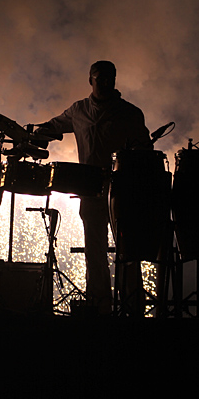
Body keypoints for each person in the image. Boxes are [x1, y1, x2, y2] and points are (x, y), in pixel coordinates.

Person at [35, 60, 153, 315]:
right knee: (94, 251)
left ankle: (132, 305)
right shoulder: (79, 110)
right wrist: (32, 134)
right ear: (91, 80)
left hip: (122, 190)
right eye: (99, 79)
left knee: (127, 250)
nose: (104, 83)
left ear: (114, 80)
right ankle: (100, 305)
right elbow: (54, 126)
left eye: (108, 79)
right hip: (90, 189)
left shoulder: (130, 113)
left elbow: (145, 149)